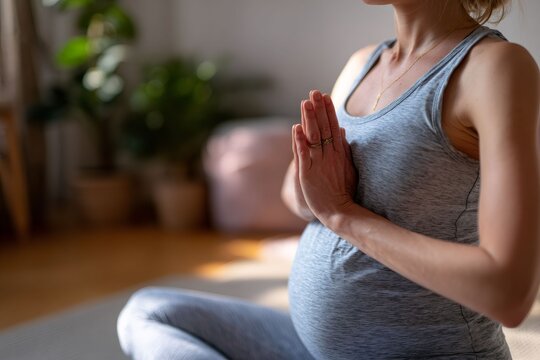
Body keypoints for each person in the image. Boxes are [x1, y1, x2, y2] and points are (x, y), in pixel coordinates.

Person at [117, 0, 540, 359]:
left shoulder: (494, 68)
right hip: (316, 348)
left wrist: (343, 215)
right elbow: (294, 193)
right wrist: (319, 194)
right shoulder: (363, 63)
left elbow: (509, 293)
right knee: (148, 312)